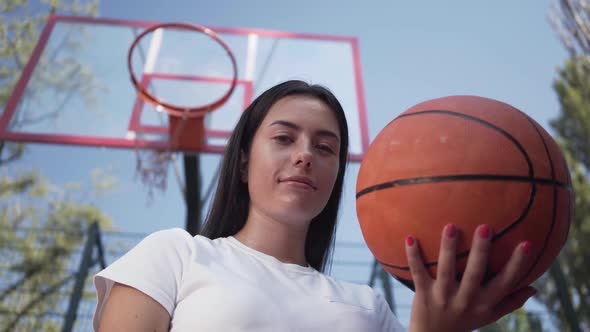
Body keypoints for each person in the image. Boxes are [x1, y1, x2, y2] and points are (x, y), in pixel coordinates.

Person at [92, 80, 536, 331]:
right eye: (284, 138)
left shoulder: (369, 309)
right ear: (244, 162)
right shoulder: (176, 255)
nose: (305, 155)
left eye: (326, 148)